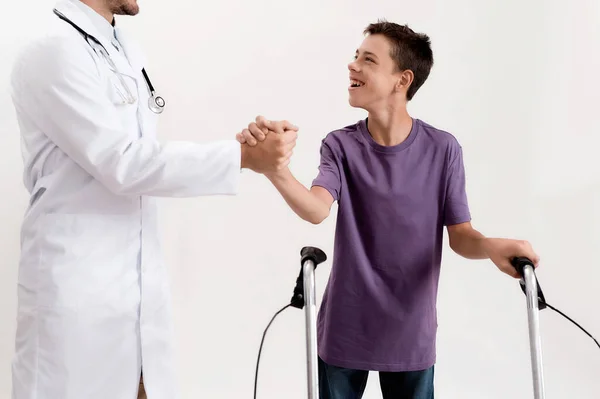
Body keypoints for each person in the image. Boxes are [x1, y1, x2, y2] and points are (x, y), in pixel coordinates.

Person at [8, 0, 297, 398]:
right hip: (79, 291)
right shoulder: (53, 49)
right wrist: (242, 158)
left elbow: (141, 156)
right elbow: (121, 163)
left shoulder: (121, 46)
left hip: (136, 291)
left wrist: (242, 149)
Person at [237, 20, 540, 398]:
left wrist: (493, 247)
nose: (353, 65)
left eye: (368, 60)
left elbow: (461, 236)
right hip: (346, 326)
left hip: (411, 329)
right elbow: (316, 209)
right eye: (355, 56)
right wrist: (275, 171)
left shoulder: (442, 149)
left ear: (402, 80)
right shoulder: (340, 145)